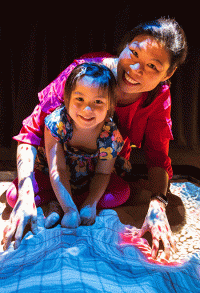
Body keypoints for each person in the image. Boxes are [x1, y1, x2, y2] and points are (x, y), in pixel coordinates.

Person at [3, 17, 187, 260]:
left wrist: (157, 204)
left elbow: (158, 156)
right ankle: (61, 202)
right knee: (18, 194)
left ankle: (71, 202)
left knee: (120, 193)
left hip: (100, 168)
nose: (134, 69)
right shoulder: (85, 74)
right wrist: (26, 192)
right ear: (124, 45)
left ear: (169, 73)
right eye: (133, 53)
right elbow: (32, 132)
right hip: (57, 163)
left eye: (152, 66)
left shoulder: (157, 98)